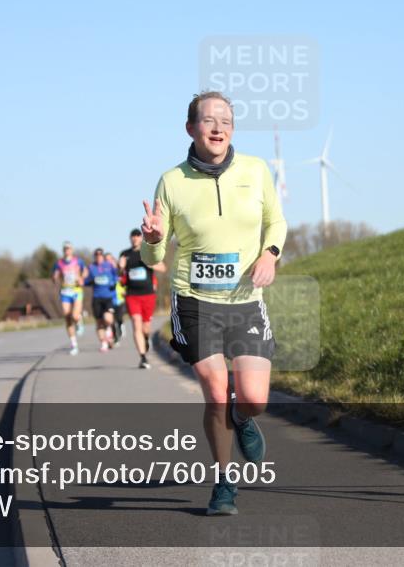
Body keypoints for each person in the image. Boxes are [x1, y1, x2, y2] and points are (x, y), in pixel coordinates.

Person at [140, 91, 286, 515]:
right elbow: (155, 257)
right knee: (217, 392)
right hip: (194, 300)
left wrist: (269, 253)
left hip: (245, 299)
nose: (218, 127)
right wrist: (151, 241)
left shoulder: (256, 170)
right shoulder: (171, 181)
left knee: (254, 398)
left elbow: (275, 220)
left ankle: (244, 418)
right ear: (191, 128)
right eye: (208, 120)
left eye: (226, 119)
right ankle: (224, 483)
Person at [120, 228, 165, 369]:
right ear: (130, 239)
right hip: (132, 295)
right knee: (136, 322)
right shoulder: (125, 254)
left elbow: (163, 268)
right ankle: (143, 357)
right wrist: (120, 267)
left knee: (146, 328)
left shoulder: (147, 252)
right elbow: (119, 274)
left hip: (148, 294)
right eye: (132, 236)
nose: (135, 238)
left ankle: (146, 339)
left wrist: (149, 263)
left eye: (137, 236)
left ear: (141, 238)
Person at [53, 242, 87, 355]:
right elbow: (54, 275)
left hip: (76, 290)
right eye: (65, 249)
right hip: (65, 291)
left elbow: (85, 271)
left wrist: (82, 278)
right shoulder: (59, 263)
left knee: (75, 315)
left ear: (72, 250)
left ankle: (79, 321)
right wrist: (55, 277)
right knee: (67, 316)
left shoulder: (78, 261)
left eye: (69, 248)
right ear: (63, 250)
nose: (67, 250)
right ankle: (74, 344)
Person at [86, 248, 119, 352]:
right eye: (96, 255)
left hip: (108, 296)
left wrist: (114, 282)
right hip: (97, 298)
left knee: (108, 318)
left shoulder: (109, 265)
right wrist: (87, 280)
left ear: (102, 256)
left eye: (100, 255)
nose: (98, 257)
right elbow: (86, 280)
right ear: (94, 257)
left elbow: (116, 275)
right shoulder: (91, 267)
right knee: (99, 322)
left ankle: (109, 330)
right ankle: (104, 343)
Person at [106, 251, 127, 346]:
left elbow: (126, 281)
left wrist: (126, 290)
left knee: (118, 318)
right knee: (111, 320)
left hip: (120, 298)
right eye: (106, 260)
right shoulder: (105, 272)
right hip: (109, 299)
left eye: (110, 259)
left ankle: (121, 325)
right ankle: (116, 338)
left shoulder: (120, 271)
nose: (109, 262)